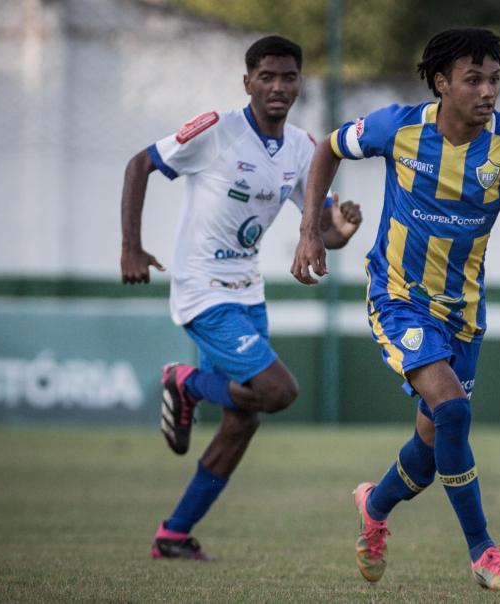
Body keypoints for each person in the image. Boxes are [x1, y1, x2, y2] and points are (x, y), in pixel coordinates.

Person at [291, 28, 500, 591]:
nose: (488, 91)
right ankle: (484, 552)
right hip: (398, 298)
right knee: (454, 410)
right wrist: (310, 228)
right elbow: (328, 148)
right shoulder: (398, 126)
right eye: (474, 80)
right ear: (442, 83)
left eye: (495, 80)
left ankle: (375, 505)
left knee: (433, 446)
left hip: (463, 312)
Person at [120, 35, 361, 560]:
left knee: (244, 418)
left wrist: (337, 228)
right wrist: (131, 246)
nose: (279, 86)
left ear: (300, 83)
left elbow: (319, 229)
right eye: (268, 77)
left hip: (247, 291)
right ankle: (185, 383)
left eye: (289, 77)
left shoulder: (301, 147)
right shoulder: (215, 131)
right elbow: (140, 164)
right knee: (279, 391)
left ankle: (174, 534)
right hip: (202, 289)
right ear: (247, 82)